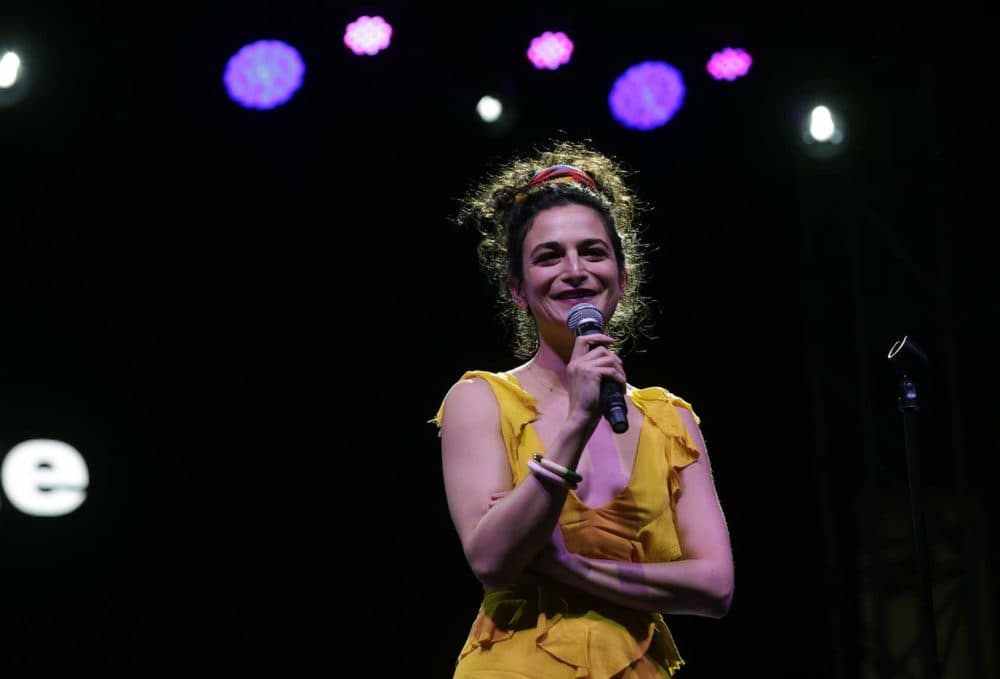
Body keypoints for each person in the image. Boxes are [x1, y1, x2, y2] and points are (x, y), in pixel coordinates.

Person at [431, 138, 734, 678]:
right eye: (549, 256)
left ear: (623, 277)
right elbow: (493, 561)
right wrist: (575, 424)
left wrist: (563, 565)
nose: (574, 269)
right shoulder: (480, 399)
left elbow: (715, 587)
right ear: (519, 291)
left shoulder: (671, 420)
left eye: (593, 252)